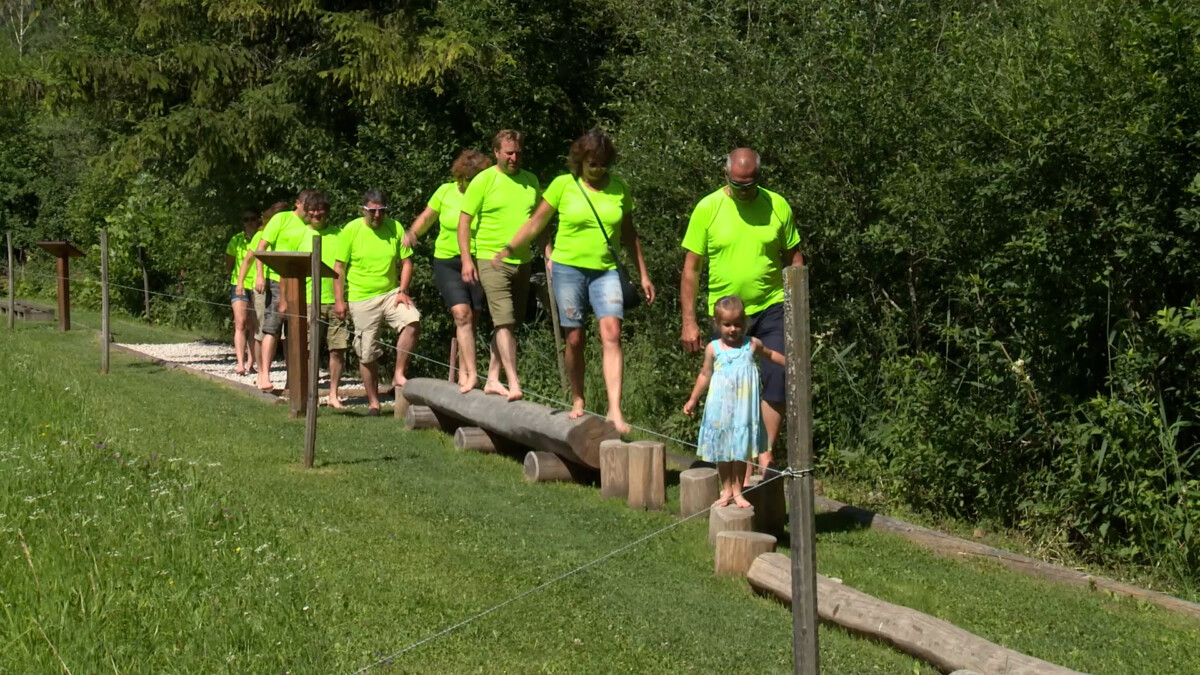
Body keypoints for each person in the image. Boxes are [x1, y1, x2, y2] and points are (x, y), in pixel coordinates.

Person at [497, 130, 655, 432]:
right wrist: (509, 248)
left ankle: (615, 410)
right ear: (580, 161)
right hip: (568, 269)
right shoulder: (562, 185)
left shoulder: (620, 188)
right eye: (592, 164)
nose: (598, 170)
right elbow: (536, 223)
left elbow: (629, 235)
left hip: (605, 270)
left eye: (604, 165)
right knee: (575, 339)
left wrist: (643, 275)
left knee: (611, 333)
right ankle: (578, 397)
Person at [680, 148, 802, 479]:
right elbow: (691, 269)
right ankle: (737, 465)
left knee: (778, 376)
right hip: (728, 316)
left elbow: (794, 258)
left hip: (772, 306)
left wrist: (798, 308)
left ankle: (762, 454)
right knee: (732, 385)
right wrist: (688, 321)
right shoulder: (708, 208)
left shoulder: (777, 205)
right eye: (738, 184)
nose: (744, 191)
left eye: (750, 184)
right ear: (726, 176)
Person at [458, 129, 540, 400]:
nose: (514, 157)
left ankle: (493, 378)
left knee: (510, 323)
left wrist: (548, 251)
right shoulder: (484, 181)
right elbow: (464, 223)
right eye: (509, 153)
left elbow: (539, 221)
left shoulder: (531, 181)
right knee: (503, 321)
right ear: (496, 153)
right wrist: (467, 260)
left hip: (523, 260)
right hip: (491, 259)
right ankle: (514, 383)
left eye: (517, 152)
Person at [683, 295, 786, 507]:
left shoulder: (751, 345)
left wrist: (793, 362)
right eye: (727, 324)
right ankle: (727, 489)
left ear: (745, 322)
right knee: (723, 451)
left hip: (743, 410)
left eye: (738, 324)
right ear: (717, 323)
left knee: (740, 450)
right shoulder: (714, 348)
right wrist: (693, 399)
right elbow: (705, 375)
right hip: (720, 411)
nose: (733, 329)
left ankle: (738, 491)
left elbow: (771, 355)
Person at [402, 150, 493, 391]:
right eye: (468, 179)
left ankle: (465, 371)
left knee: (472, 319)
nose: (471, 184)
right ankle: (471, 375)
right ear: (460, 177)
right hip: (447, 261)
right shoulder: (445, 191)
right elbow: (427, 217)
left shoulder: (487, 195)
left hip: (477, 259)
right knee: (461, 314)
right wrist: (412, 233)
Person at [334, 188, 421, 416]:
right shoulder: (351, 230)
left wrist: (403, 290)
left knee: (412, 320)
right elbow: (339, 268)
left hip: (391, 292)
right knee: (366, 352)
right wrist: (339, 300)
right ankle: (374, 402)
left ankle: (398, 373)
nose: (377, 216)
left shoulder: (395, 227)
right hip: (361, 297)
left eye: (381, 211)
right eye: (372, 211)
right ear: (364, 209)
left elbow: (407, 261)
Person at [239, 191, 313, 392]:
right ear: (297, 203)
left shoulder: (310, 225)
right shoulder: (282, 218)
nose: (309, 207)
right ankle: (264, 375)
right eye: (306, 203)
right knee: (272, 326)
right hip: (275, 279)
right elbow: (261, 247)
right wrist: (260, 275)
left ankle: (293, 379)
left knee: (294, 332)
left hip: (299, 283)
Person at [293, 192, 350, 407]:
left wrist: (342, 299)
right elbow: (287, 269)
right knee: (309, 349)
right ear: (307, 212)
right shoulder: (298, 235)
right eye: (312, 210)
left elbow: (346, 267)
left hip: (335, 301)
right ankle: (311, 394)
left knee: (337, 348)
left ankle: (333, 394)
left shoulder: (340, 234)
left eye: (320, 210)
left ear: (328, 211)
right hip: (308, 301)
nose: (317, 214)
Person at [225, 209, 261, 376]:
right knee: (240, 322)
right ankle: (240, 363)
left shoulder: (262, 238)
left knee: (254, 325)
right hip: (239, 284)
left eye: (252, 219)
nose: (249, 222)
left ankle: (251, 362)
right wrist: (235, 279)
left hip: (258, 285)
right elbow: (229, 263)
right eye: (246, 220)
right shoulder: (236, 240)